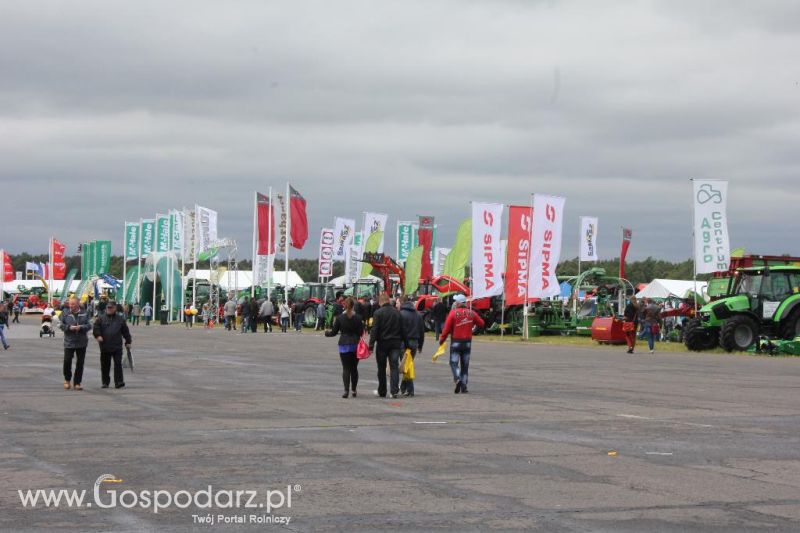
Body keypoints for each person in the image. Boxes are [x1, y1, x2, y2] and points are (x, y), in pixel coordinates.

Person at [439, 294, 484, 394]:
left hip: (456, 342)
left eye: (455, 301)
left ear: (458, 303)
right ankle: (464, 386)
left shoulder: (453, 313)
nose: (454, 303)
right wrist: (471, 325)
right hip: (467, 342)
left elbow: (446, 329)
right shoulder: (471, 313)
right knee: (465, 365)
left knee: (453, 363)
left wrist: (442, 340)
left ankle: (458, 378)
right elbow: (481, 323)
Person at [369, 293, 406, 398]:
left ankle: (382, 390)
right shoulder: (397, 313)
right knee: (394, 367)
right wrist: (405, 342)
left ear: (381, 301)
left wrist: (371, 345)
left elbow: (374, 330)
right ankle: (394, 390)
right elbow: (402, 329)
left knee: (381, 368)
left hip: (382, 344)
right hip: (395, 344)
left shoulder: (378, 313)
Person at [325, 297, 364, 398]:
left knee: (346, 368)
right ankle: (354, 390)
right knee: (354, 368)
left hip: (344, 345)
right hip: (355, 344)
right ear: (353, 305)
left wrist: (327, 333)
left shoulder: (340, 318)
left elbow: (334, 332)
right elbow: (361, 332)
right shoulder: (358, 318)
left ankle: (346, 391)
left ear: (345, 305)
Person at [92, 300, 132, 389]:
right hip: (105, 346)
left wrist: (128, 342)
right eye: (108, 307)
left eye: (111, 307)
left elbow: (125, 331)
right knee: (105, 365)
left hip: (117, 346)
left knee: (118, 364)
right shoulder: (100, 318)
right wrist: (98, 336)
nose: (109, 309)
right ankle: (105, 382)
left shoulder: (120, 319)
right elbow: (96, 328)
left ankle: (119, 382)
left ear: (115, 308)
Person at [59, 297, 92, 391]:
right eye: (70, 304)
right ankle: (67, 380)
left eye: (73, 304)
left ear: (78, 304)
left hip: (82, 342)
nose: (71, 306)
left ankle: (77, 382)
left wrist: (81, 327)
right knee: (67, 361)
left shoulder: (85, 313)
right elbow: (59, 324)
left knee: (80, 363)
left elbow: (90, 324)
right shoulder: (65, 312)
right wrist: (69, 327)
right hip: (69, 341)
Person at [399, 296, 425, 397]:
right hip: (414, 343)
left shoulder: (401, 314)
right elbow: (421, 331)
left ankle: (410, 389)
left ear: (402, 302)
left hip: (403, 343)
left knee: (406, 366)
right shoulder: (418, 314)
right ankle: (403, 388)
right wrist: (420, 345)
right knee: (408, 365)